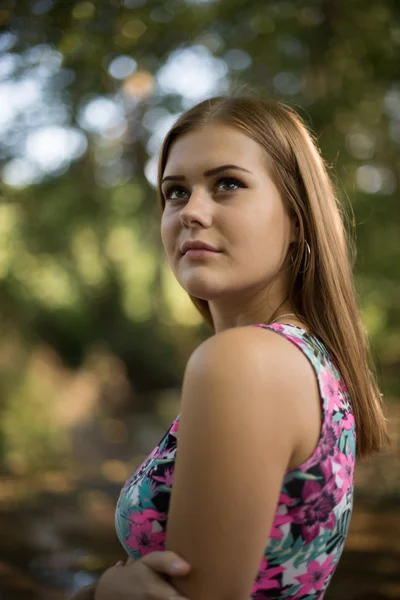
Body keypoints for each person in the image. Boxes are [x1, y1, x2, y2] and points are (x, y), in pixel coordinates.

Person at [70, 96, 389, 600]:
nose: (192, 212)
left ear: (298, 219)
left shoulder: (243, 362)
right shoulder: (307, 361)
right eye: (175, 192)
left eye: (228, 184)